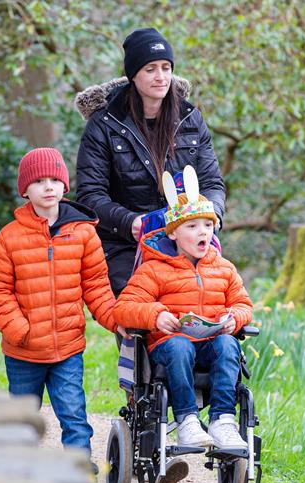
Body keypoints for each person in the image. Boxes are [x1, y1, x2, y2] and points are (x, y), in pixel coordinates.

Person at [0, 147, 121, 463]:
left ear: (65, 186)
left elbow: (97, 286)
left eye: (54, 180)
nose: (48, 187)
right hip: (24, 351)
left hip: (67, 349)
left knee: (74, 417)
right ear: (25, 190)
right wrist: (21, 330)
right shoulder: (9, 238)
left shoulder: (84, 233)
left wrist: (116, 320)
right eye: (39, 181)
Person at [75, 27, 227, 295]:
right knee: (138, 313)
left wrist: (211, 215)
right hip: (124, 244)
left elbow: (212, 182)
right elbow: (90, 195)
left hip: (186, 239)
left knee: (210, 302)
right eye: (150, 69)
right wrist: (130, 222)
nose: (161, 77)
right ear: (133, 75)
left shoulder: (190, 118)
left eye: (166, 67)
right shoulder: (104, 124)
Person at [114, 182, 253, 454]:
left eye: (207, 225)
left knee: (228, 344)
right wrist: (156, 316)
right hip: (170, 347)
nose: (202, 231)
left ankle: (222, 421)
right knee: (180, 345)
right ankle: (187, 419)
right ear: (174, 233)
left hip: (210, 343)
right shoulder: (154, 270)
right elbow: (123, 308)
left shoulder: (224, 269)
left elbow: (243, 304)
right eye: (192, 226)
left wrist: (234, 318)